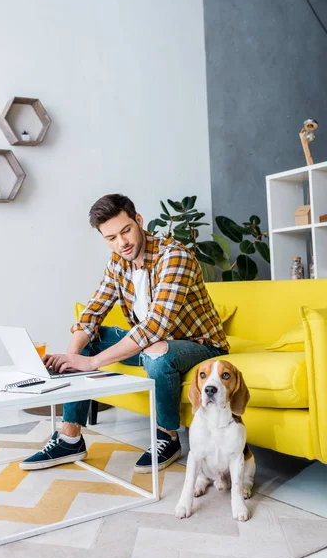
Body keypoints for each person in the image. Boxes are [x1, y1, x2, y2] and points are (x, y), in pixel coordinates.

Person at [20, 194, 229, 473]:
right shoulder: (118, 262)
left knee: (157, 352)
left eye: (126, 231)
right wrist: (72, 359)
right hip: (151, 342)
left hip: (201, 345)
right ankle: (69, 438)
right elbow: (92, 313)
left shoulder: (174, 256)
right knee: (89, 339)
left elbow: (155, 326)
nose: (122, 243)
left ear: (138, 221)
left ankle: (167, 436)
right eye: (111, 238)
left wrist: (92, 363)